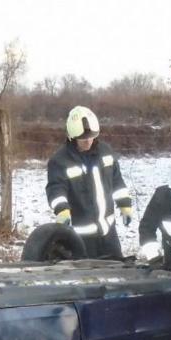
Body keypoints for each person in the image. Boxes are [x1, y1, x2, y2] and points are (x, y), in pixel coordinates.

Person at [45, 106, 133, 259]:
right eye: (83, 138)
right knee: (87, 272)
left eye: (91, 137)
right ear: (72, 137)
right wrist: (62, 209)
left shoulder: (106, 152)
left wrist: (125, 205)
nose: (87, 141)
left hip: (108, 234)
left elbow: (117, 181)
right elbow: (56, 188)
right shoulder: (60, 161)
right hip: (81, 237)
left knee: (117, 268)